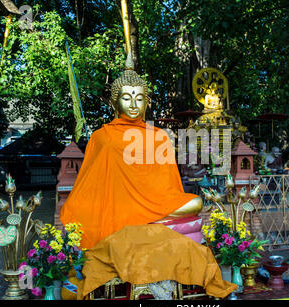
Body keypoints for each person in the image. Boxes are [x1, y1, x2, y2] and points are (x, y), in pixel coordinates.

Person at [60, 52, 203, 249]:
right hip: (115, 204)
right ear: (114, 102)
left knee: (195, 203)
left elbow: (167, 187)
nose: (134, 105)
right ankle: (136, 220)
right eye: (127, 98)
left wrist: (153, 201)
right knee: (82, 209)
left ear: (147, 102)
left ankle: (141, 219)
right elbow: (91, 182)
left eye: (140, 98)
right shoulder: (102, 136)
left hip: (156, 203)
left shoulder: (159, 136)